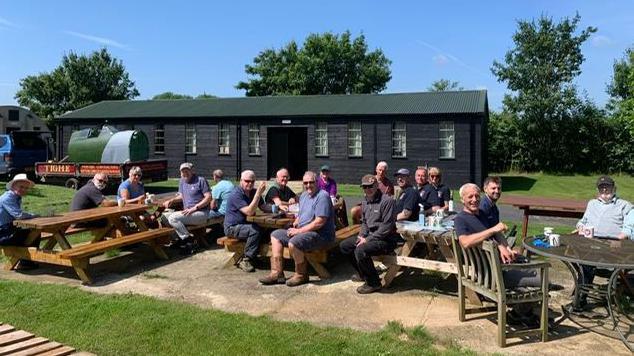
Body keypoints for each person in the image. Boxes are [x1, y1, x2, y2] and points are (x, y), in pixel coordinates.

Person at [455, 183, 544, 324]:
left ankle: (521, 313)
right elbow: (465, 242)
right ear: (462, 200)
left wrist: (505, 248)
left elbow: (498, 233)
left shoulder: (482, 214)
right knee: (545, 278)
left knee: (527, 265)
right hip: (494, 276)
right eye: (470, 197)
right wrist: (492, 231)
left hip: (498, 267)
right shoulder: (461, 219)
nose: (474, 200)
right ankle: (519, 314)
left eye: (477, 196)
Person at [260, 171, 335, 286]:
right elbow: (301, 214)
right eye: (306, 183)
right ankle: (277, 273)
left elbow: (319, 222)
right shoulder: (304, 195)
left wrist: (299, 231)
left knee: (294, 242)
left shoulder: (322, 196)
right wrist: (296, 221)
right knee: (275, 235)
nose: (308, 185)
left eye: (311, 182)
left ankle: (301, 274)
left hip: (321, 235)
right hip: (303, 231)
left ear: (317, 182)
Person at [575, 175, 632, 306]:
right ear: (598, 190)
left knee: (586, 262)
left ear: (614, 188)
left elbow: (630, 226)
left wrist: (624, 234)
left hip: (613, 246)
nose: (605, 190)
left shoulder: (624, 205)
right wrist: (580, 226)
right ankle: (580, 300)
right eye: (601, 188)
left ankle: (581, 298)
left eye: (607, 187)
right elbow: (582, 221)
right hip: (592, 243)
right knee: (584, 260)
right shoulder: (592, 203)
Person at [339, 174, 396, 294]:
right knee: (345, 246)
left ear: (377, 186)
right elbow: (364, 222)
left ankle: (374, 283)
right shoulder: (365, 201)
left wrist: (368, 239)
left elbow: (386, 227)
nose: (367, 189)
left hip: (385, 240)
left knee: (360, 250)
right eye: (365, 187)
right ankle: (363, 274)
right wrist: (361, 235)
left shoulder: (387, 201)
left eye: (370, 186)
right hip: (370, 237)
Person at [224, 170, 268, 272]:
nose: (250, 184)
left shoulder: (253, 192)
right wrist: (258, 194)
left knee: (266, 229)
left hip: (245, 225)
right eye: (247, 181)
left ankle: (254, 257)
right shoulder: (236, 194)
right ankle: (246, 259)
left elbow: (264, 207)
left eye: (252, 181)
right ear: (241, 181)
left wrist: (278, 208)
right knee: (255, 230)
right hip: (232, 227)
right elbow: (249, 211)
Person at [162, 163, 212, 252]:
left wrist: (194, 208)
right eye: (182, 171)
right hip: (188, 213)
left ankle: (189, 241)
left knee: (173, 218)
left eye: (187, 171)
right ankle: (179, 240)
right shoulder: (182, 181)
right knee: (164, 217)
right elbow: (181, 196)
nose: (185, 173)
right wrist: (172, 200)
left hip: (201, 213)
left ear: (192, 171)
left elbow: (208, 197)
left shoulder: (200, 180)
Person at [0, 174, 39, 269]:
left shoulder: (15, 197)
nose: (24, 189)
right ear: (13, 186)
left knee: (34, 232)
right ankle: (25, 262)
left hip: (7, 229)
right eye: (21, 187)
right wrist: (34, 215)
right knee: (33, 233)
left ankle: (27, 261)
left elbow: (18, 215)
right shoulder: (7, 198)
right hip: (2, 234)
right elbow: (19, 215)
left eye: (26, 188)